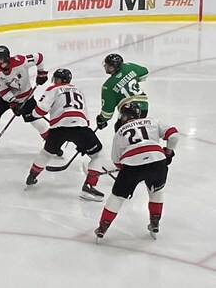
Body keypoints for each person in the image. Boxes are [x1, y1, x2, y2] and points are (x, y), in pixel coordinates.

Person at [94, 103, 179, 241]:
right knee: (156, 191)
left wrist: (127, 173)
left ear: (124, 116)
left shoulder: (120, 132)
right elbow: (174, 135)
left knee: (117, 197)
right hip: (157, 161)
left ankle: (103, 228)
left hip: (132, 165)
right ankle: (155, 222)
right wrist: (168, 153)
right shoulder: (153, 121)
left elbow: (116, 160)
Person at [25, 68, 105, 201]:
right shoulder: (79, 90)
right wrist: (82, 141)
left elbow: (40, 110)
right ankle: (89, 186)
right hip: (80, 127)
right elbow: (85, 115)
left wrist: (32, 114)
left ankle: (32, 175)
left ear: (58, 80)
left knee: (46, 153)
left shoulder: (53, 89)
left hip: (59, 129)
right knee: (98, 155)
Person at [0, 45, 51, 151]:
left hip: (25, 98)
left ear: (2, 60)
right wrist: (13, 102)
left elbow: (39, 57)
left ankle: (51, 144)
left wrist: (41, 73)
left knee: (37, 122)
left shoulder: (21, 61)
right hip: (5, 98)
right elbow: (2, 90)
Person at [96, 53, 149, 132]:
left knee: (121, 131)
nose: (105, 66)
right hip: (144, 105)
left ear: (112, 68)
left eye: (107, 65)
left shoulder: (108, 86)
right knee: (139, 129)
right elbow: (145, 72)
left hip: (128, 110)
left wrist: (101, 119)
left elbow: (107, 113)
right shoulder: (129, 66)